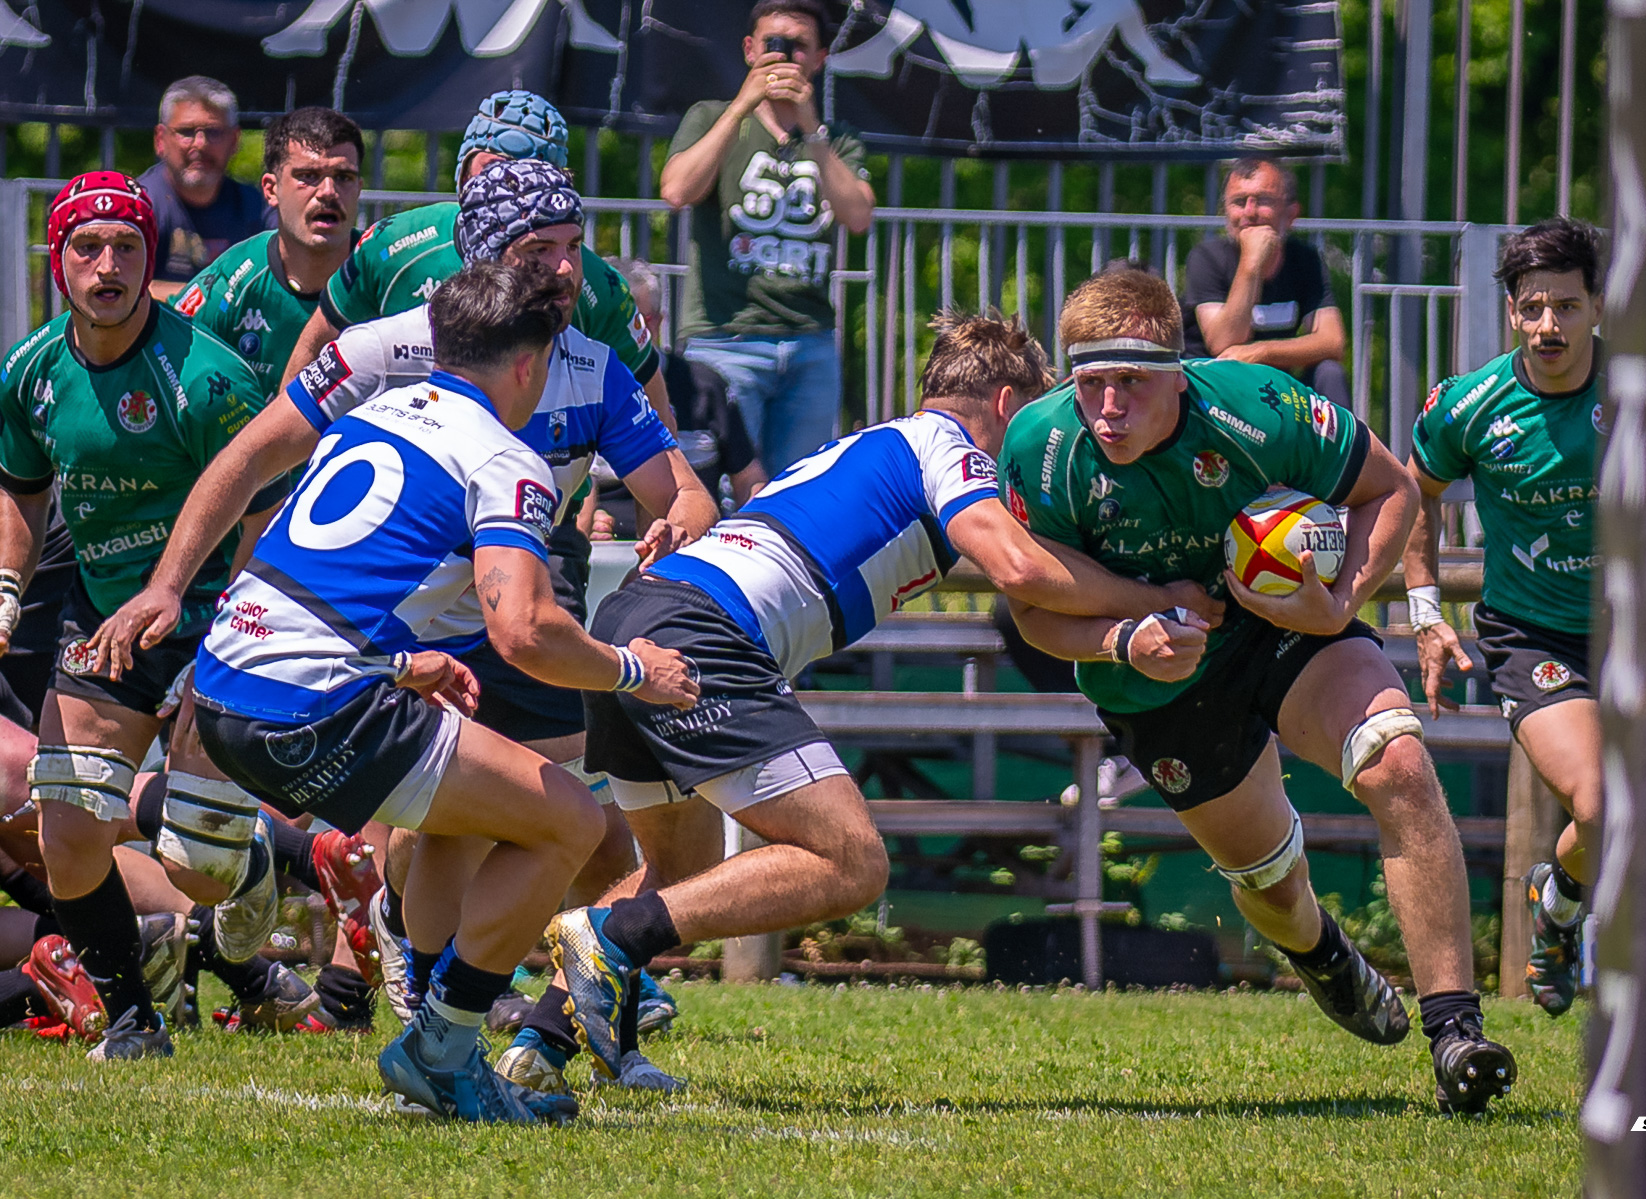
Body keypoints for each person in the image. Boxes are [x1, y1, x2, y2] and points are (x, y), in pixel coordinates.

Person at [493, 310, 1208, 1094]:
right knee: (852, 860)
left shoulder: (879, 440)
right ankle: (609, 932)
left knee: (680, 865)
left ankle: (544, 1039)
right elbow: (1021, 569)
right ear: (1007, 406)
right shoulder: (951, 450)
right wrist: (1155, 596)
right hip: (704, 631)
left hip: (639, 613)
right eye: (1036, 417)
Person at [91, 160, 716, 1047]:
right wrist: (168, 580)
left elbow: (685, 492)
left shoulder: (595, 368)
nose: (568, 270)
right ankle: (401, 964)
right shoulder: (393, 345)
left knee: (571, 835)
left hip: (498, 624)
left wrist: (678, 520)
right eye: (542, 250)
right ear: (483, 255)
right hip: (371, 626)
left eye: (576, 247)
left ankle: (478, 1017)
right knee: (212, 862)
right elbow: (249, 454)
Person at [996, 267, 1516, 1116]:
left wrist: (1340, 602)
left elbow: (1388, 489)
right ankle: (1321, 954)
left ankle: (1456, 1033)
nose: (1109, 408)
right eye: (1091, 383)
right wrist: (1124, 638)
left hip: (1285, 628)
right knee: (1272, 884)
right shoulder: (1039, 448)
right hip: (1154, 686)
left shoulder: (1254, 405)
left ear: (1177, 368)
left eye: (1131, 382)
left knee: (1399, 762)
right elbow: (1032, 611)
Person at [191, 260, 700, 1124]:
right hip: (313, 704)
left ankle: (422, 1008)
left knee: (469, 816)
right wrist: (634, 669)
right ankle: (444, 1044)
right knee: (573, 820)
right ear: (530, 367)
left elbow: (328, 570)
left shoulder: (376, 411)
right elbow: (526, 631)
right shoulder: (509, 458)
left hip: (223, 688)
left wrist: (398, 663)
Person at [0, 173, 286, 1061]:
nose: (108, 265)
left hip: (216, 618)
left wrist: (236, 634)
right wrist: (7, 587)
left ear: (149, 259)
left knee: (199, 857)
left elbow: (268, 521)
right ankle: (132, 1017)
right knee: (69, 824)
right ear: (59, 262)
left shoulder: (207, 377)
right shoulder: (30, 372)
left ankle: (255, 866)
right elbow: (20, 490)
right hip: (104, 618)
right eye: (87, 248)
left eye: (127, 247)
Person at [1403, 217, 1605, 1017]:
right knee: (1598, 802)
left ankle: (1555, 903)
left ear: (1597, 304)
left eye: (1565, 305)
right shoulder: (1472, 404)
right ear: (1511, 312)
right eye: (1531, 308)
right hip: (1534, 634)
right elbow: (1413, 493)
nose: (1548, 325)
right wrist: (1425, 613)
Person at [279, 90, 669, 423]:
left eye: (526, 177)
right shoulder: (395, 245)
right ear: (463, 172)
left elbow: (656, 420)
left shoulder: (595, 284)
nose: (505, 192)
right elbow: (310, 356)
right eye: (491, 171)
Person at [659, 0, 875, 475]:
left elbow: (858, 215)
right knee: (718, 491)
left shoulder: (835, 138)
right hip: (724, 340)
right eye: (772, 44)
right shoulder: (712, 116)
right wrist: (742, 105)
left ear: (820, 59)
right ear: (749, 50)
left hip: (809, 343)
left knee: (798, 495)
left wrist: (811, 126)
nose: (784, 57)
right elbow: (676, 190)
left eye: (798, 47)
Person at [173, 107, 364, 395]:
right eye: (308, 175)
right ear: (271, 190)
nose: (328, 191)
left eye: (343, 176)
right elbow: (165, 359)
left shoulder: (385, 275)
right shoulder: (232, 280)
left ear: (359, 188)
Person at [584, 258, 769, 540]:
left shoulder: (704, 385)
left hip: (690, 542)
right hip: (602, 545)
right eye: (611, 323)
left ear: (658, 320)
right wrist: (583, 521)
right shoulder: (577, 384)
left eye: (637, 322)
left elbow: (749, 480)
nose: (624, 334)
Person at [1182, 155, 1348, 407]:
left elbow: (1332, 341)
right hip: (1214, 392)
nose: (1249, 212)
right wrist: (1252, 262)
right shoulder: (1206, 258)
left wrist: (1261, 351)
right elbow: (1223, 343)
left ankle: (1348, 447)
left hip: (1275, 389)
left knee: (1329, 373)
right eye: (1238, 202)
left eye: (1262, 201)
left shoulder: (1305, 259)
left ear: (1291, 213)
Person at [138, 77, 275, 300]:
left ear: (234, 140)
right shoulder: (140, 205)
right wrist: (215, 297)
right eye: (187, 131)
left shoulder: (257, 207)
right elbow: (123, 291)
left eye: (213, 132)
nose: (200, 144)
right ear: (160, 139)